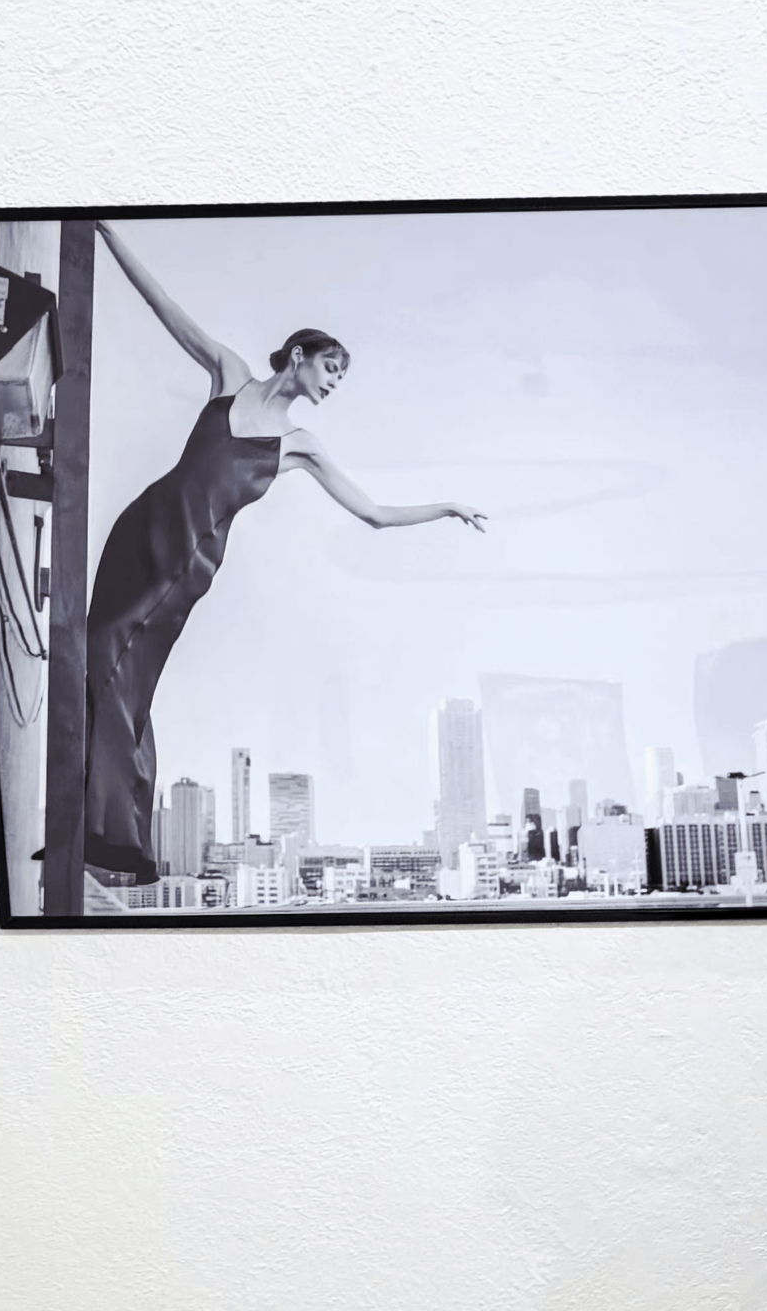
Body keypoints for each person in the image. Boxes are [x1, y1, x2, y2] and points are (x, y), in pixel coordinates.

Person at [80, 222, 486, 887]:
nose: (333, 383)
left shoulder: (299, 445)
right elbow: (159, 302)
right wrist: (103, 228)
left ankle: (110, 839)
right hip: (142, 529)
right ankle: (95, 830)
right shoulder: (230, 373)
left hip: (186, 567)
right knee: (94, 654)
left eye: (340, 378)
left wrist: (445, 506)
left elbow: (375, 515)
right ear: (299, 355)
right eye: (331, 367)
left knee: (122, 677)